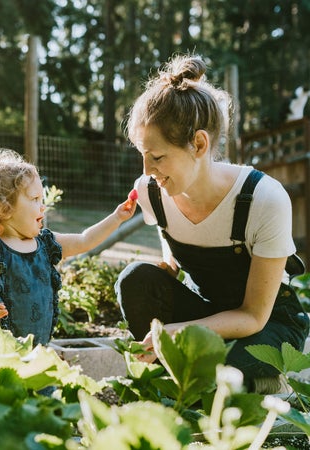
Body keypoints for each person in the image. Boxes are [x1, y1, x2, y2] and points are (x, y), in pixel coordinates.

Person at [114, 54, 309, 393]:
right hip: (210, 311)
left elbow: (252, 316)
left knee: (219, 360)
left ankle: (264, 384)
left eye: (157, 157)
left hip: (266, 326)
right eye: (142, 154)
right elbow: (172, 244)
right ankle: (185, 382)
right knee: (135, 279)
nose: (146, 170)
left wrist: (184, 332)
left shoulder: (264, 198)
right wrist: (168, 269)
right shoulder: (152, 192)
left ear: (199, 144)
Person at [0, 148, 137, 346]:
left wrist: (117, 217)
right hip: (1, 346)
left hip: (39, 346)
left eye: (42, 199)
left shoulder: (46, 243)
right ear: (5, 208)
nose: (43, 206)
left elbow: (85, 240)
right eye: (35, 199)